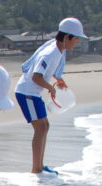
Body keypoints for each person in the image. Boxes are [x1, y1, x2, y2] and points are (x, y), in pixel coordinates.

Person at [14, 17, 86, 175]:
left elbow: (52, 71)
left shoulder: (60, 50)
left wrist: (59, 80)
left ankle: (40, 166)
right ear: (67, 37)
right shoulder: (50, 53)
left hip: (34, 93)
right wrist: (50, 89)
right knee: (40, 128)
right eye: (77, 39)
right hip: (26, 92)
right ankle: (36, 169)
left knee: (44, 126)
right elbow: (36, 76)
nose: (77, 42)